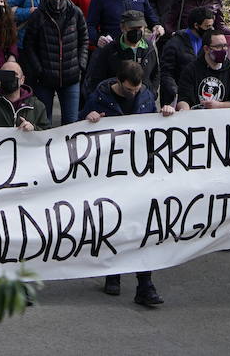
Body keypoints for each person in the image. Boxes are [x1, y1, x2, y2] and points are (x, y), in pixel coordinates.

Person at [81, 61, 170, 307]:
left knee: (143, 226)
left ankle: (145, 283)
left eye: (137, 89)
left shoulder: (145, 96)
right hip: (110, 172)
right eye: (129, 90)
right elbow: (79, 125)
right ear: (118, 82)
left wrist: (165, 115)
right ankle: (114, 274)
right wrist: (89, 118)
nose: (134, 93)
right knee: (115, 223)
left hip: (139, 170)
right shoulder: (99, 97)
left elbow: (152, 123)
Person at [21, 0, 88, 124]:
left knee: (71, 122)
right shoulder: (38, 15)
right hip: (44, 78)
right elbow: (28, 45)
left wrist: (80, 64)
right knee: (44, 122)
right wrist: (38, 69)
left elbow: (84, 39)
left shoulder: (75, 13)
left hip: (71, 76)